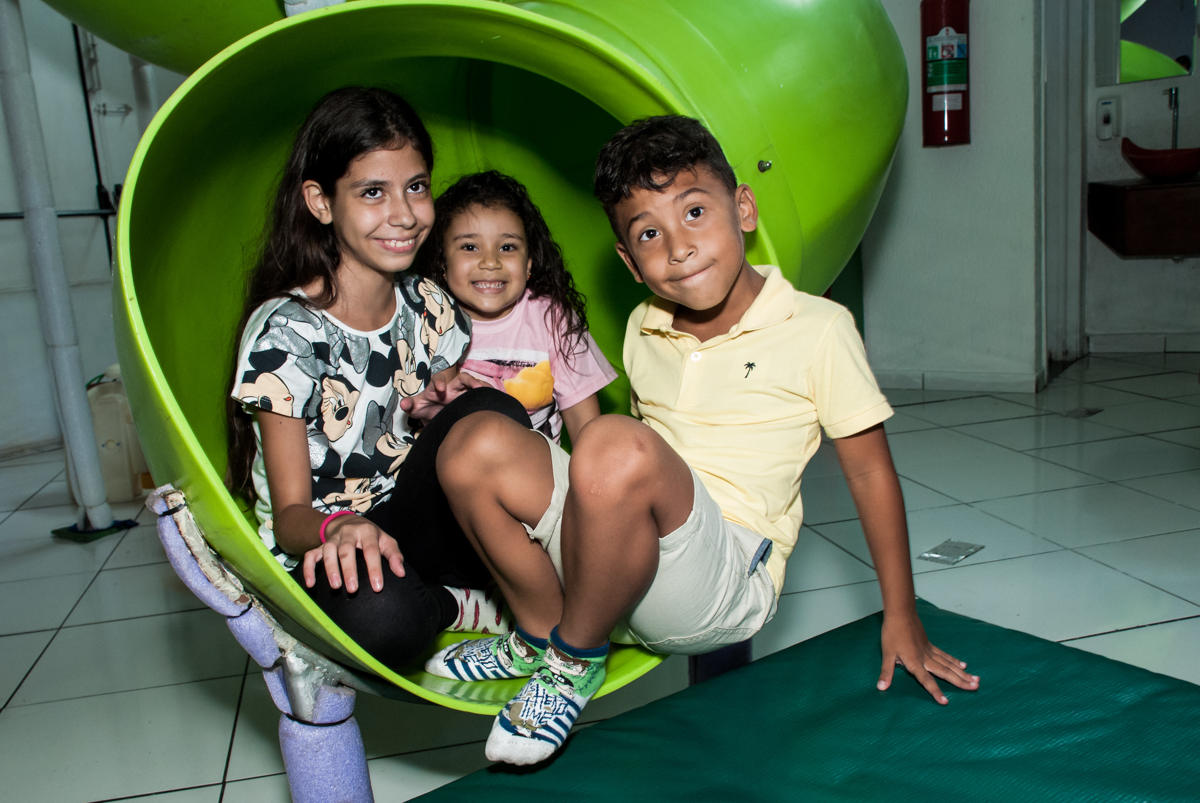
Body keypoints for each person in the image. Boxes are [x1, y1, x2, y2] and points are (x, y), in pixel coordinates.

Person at [431, 116, 981, 765]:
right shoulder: (643, 325)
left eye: (695, 211)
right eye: (649, 234)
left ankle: (572, 661)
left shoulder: (818, 328)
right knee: (472, 441)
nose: (680, 246)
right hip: (616, 571)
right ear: (628, 262)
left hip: (723, 584)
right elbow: (631, 466)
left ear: (743, 208)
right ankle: (539, 628)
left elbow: (869, 475)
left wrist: (901, 613)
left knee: (613, 441)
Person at [226, 86, 567, 669]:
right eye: (372, 193)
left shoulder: (429, 304)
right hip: (333, 536)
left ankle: (536, 592)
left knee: (491, 409)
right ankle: (453, 605)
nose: (405, 215)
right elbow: (288, 520)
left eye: (415, 187)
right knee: (390, 623)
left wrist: (442, 401)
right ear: (321, 201)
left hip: (423, 516)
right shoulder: (285, 333)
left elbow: (442, 438)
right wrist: (341, 526)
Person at [416, 171, 617, 445]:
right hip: (456, 471)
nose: (490, 262)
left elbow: (588, 431)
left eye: (507, 247)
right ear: (442, 261)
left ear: (529, 262)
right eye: (470, 247)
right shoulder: (426, 319)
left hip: (539, 476)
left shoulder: (552, 318)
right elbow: (437, 429)